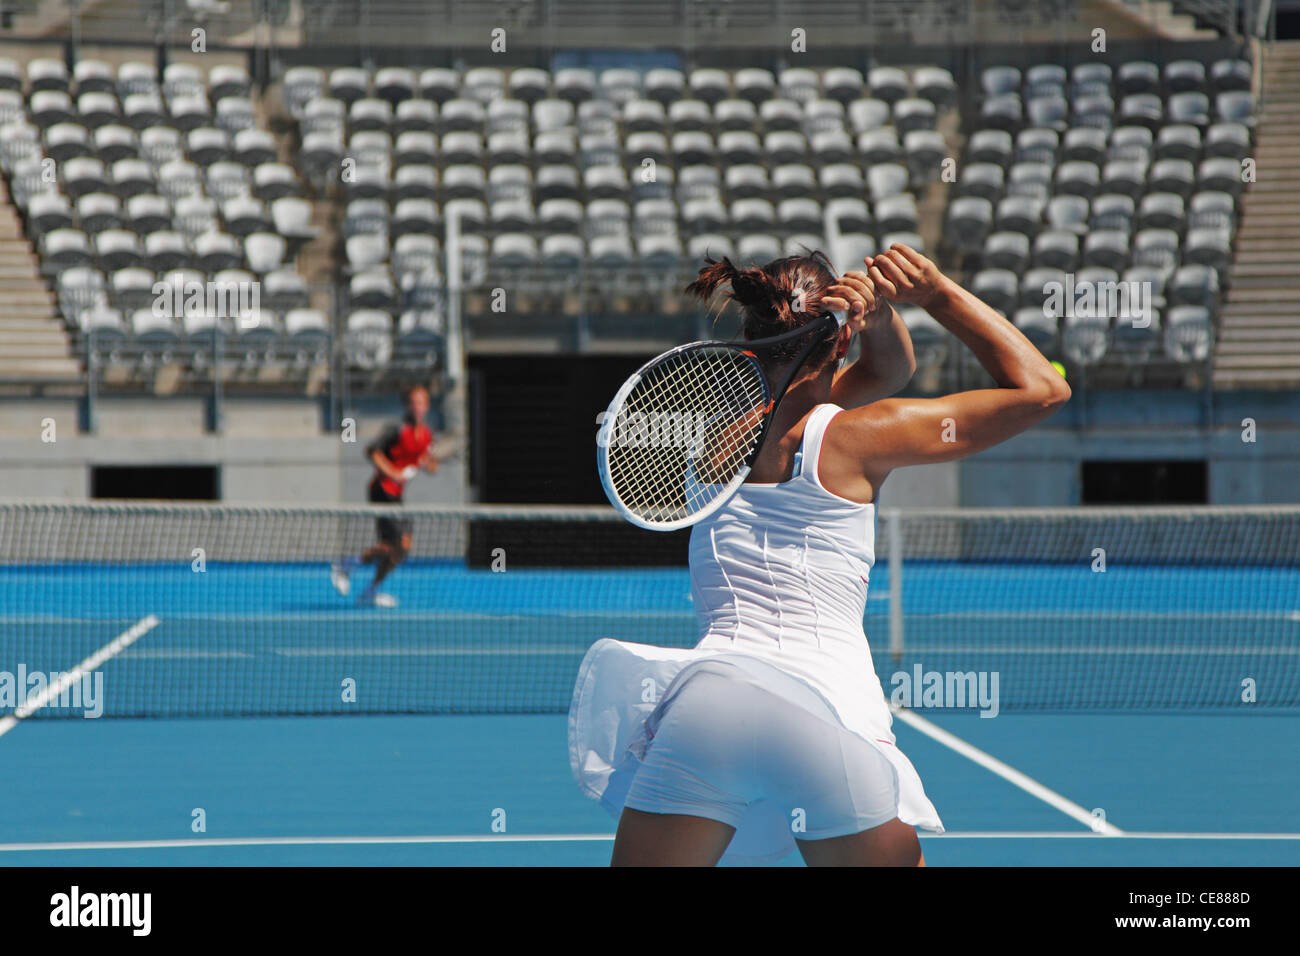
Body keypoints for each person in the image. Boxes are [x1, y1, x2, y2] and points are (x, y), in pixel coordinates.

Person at [569, 244, 1071, 866]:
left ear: (750, 342)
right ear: (840, 341)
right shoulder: (860, 437)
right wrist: (934, 293)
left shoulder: (726, 446)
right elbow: (1043, 388)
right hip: (823, 709)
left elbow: (875, 374)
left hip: (707, 705)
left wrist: (873, 323)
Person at [332, 385, 439, 608]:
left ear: (427, 406)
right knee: (398, 546)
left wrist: (429, 464)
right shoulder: (396, 429)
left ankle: (369, 590)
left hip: (397, 496)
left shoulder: (427, 435)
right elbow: (372, 451)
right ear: (408, 405)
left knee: (399, 550)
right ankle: (346, 565)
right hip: (381, 490)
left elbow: (431, 465)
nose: (419, 406)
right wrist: (394, 472)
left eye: (423, 402)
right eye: (414, 402)